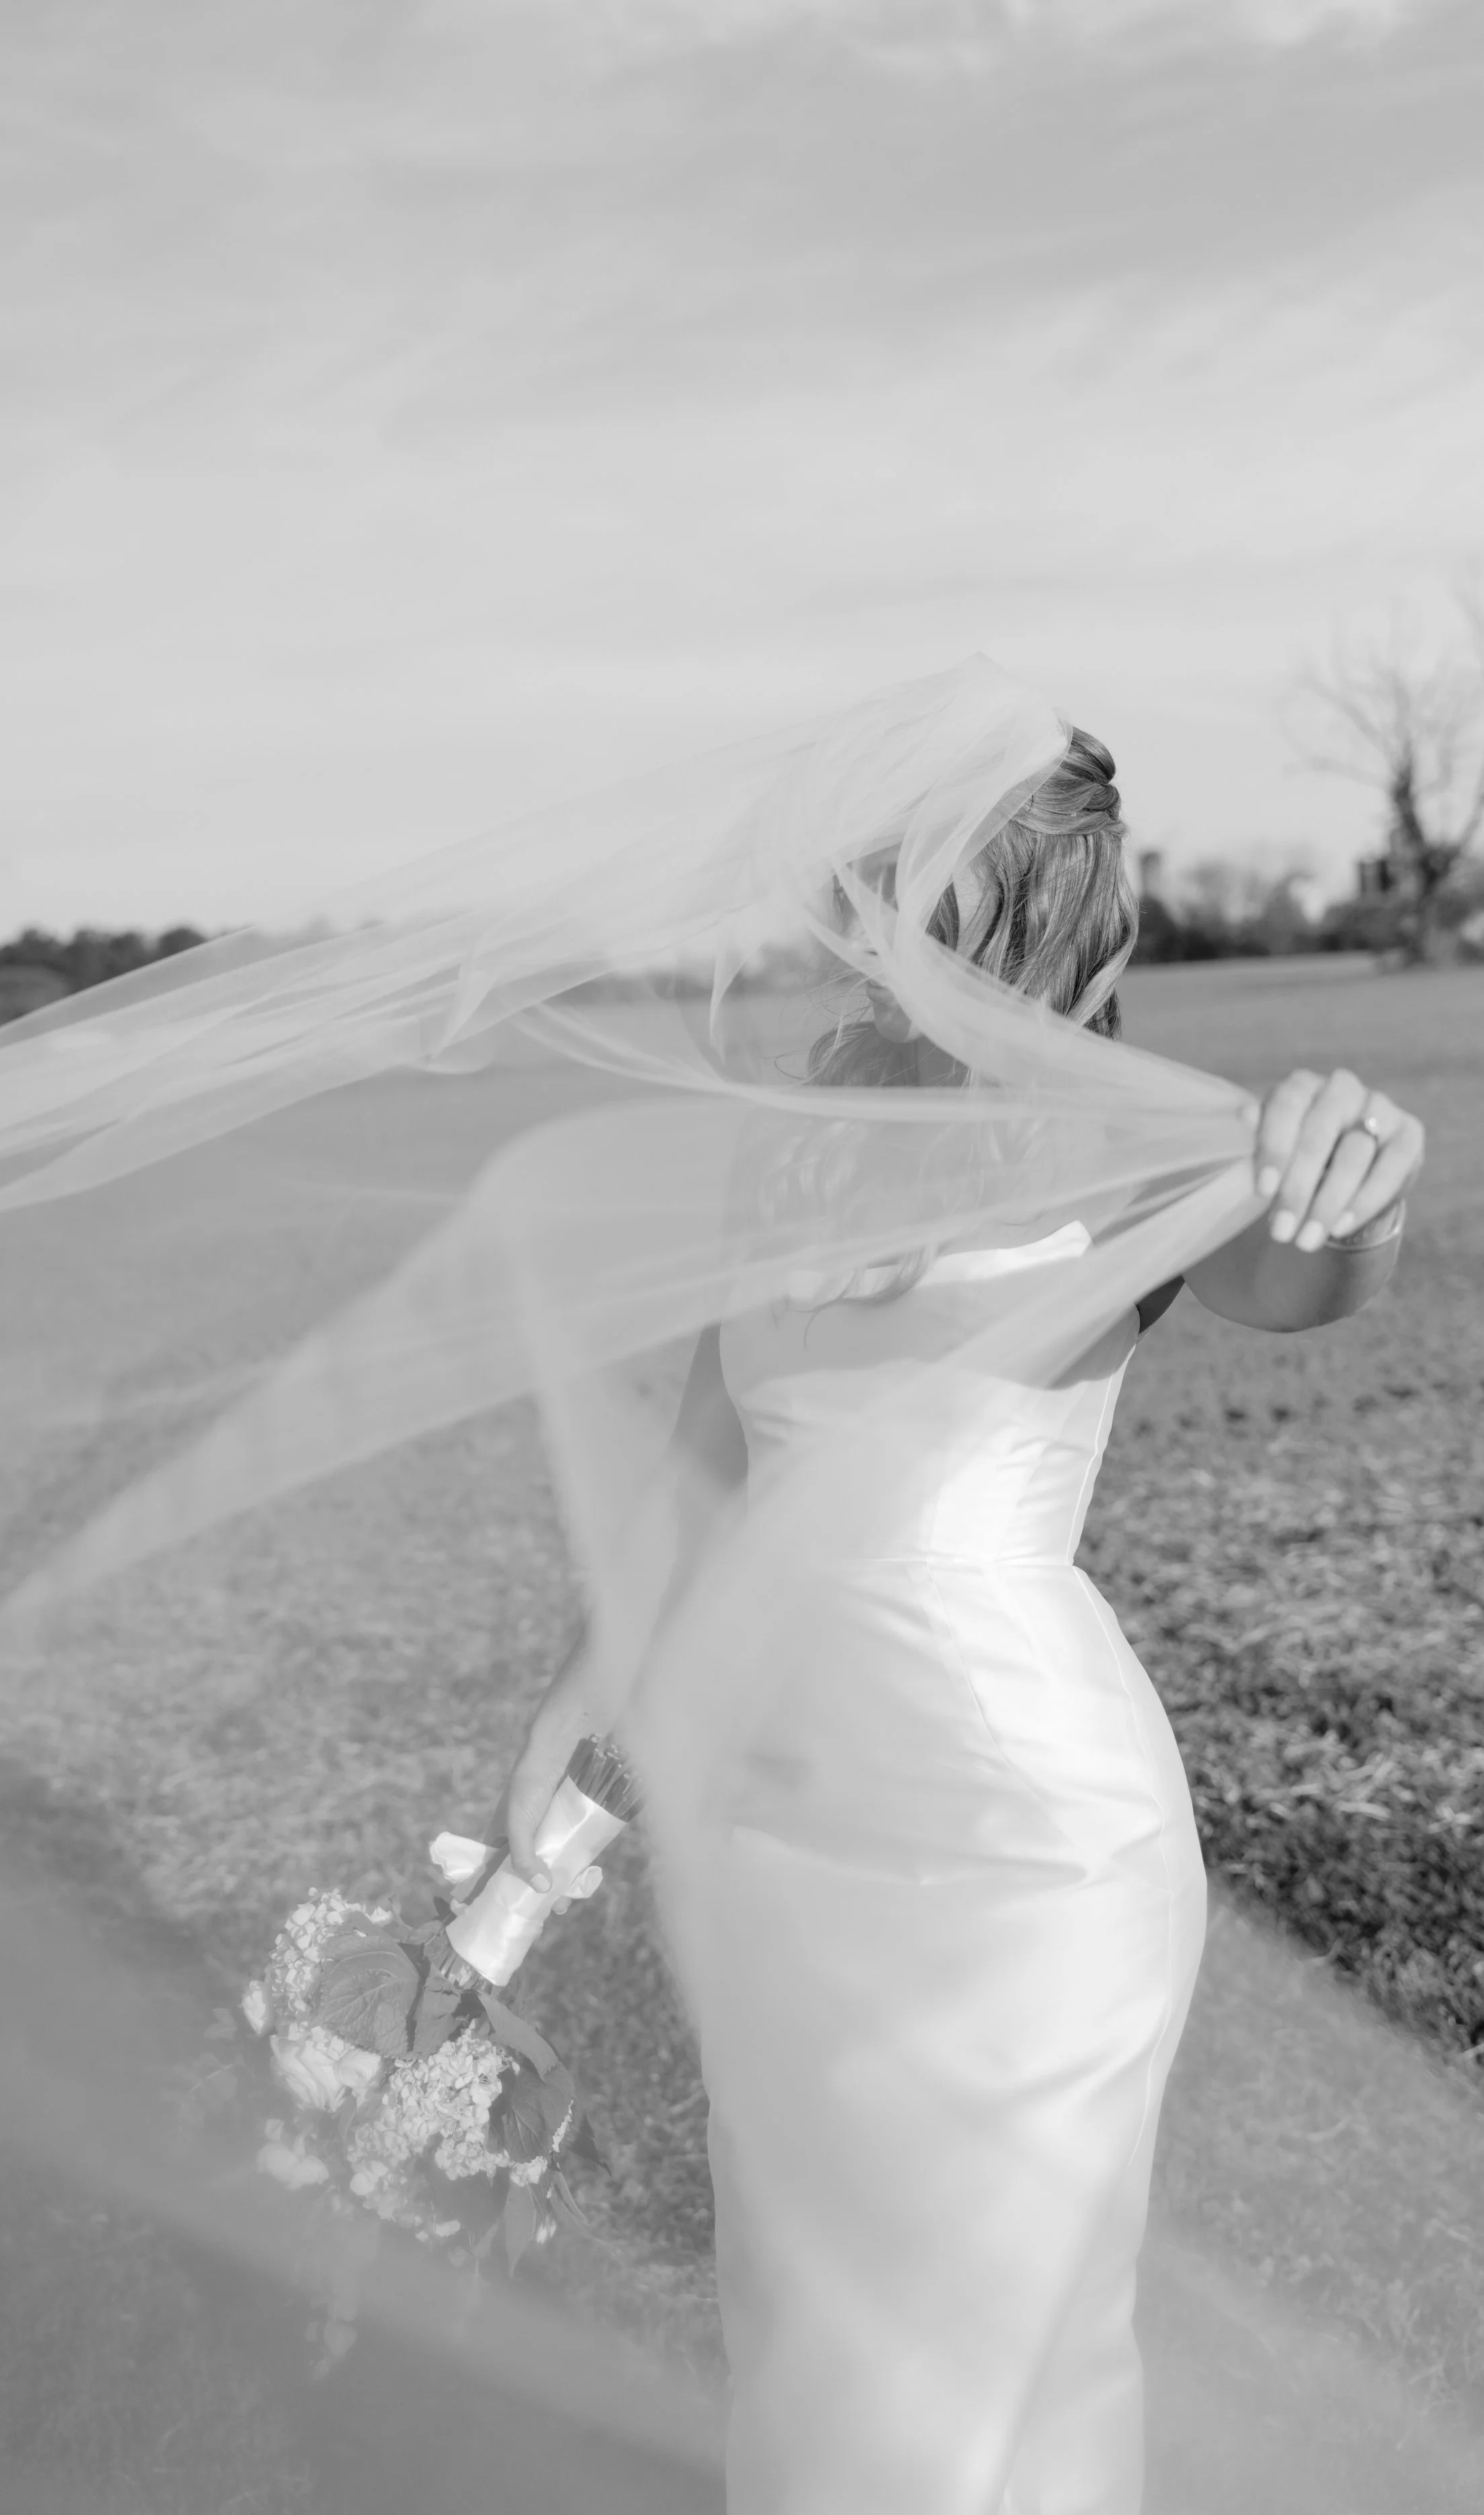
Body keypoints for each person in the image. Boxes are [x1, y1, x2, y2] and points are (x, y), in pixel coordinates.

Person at [493, 729, 1424, 2515]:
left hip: (1023, 1834)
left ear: (1043, 925)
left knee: (996, 2365)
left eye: (921, 904)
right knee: (821, 2334)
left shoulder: (1137, 1147)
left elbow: (1297, 1276)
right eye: (871, 899)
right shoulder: (794, 1143)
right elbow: (701, 1472)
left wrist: (1356, 1188)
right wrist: (568, 1707)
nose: (873, 940)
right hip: (778, 1830)